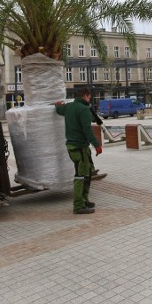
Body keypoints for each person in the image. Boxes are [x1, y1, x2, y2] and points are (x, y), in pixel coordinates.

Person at [54, 86, 102, 214]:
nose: (90, 99)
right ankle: (78, 206)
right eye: (89, 96)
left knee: (87, 174)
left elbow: (59, 109)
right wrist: (97, 145)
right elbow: (87, 130)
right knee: (80, 176)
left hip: (73, 147)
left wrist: (57, 105)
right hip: (79, 146)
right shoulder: (84, 109)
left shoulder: (68, 107)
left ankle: (84, 200)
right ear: (85, 95)